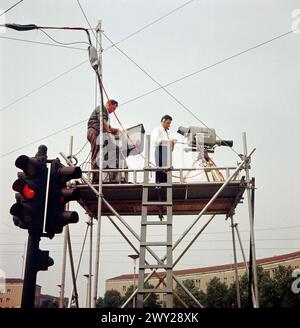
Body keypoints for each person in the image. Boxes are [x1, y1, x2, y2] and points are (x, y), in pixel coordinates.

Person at [87, 99, 119, 183]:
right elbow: (103, 122)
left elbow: (108, 127)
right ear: (109, 104)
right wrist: (108, 131)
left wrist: (119, 131)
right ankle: (95, 179)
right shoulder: (101, 109)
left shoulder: (106, 115)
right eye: (114, 108)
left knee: (115, 149)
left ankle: (112, 174)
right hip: (94, 132)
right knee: (96, 153)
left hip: (100, 134)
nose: (114, 110)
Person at [151, 114, 177, 183]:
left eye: (170, 123)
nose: (169, 125)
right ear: (163, 121)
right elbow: (157, 141)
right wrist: (170, 141)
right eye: (168, 123)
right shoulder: (157, 129)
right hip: (160, 151)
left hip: (166, 153)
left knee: (166, 172)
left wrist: (173, 143)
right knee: (160, 170)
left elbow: (170, 149)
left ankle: (165, 187)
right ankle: (159, 189)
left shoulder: (166, 132)